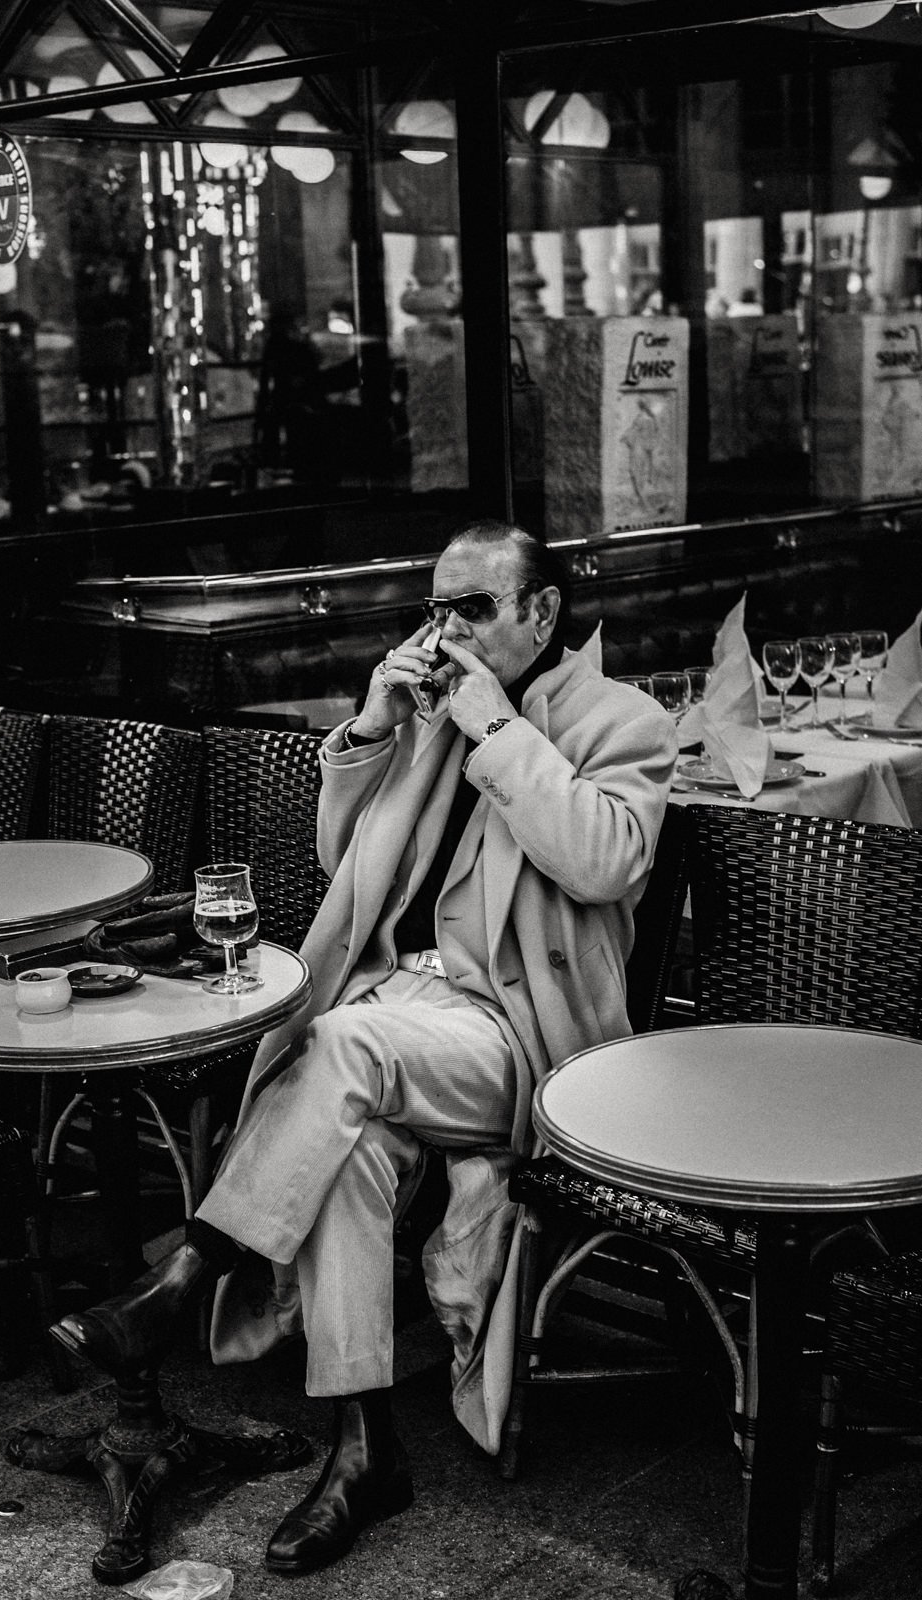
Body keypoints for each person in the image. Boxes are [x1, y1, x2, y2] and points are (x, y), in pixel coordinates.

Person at [51, 517, 677, 1575]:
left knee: (336, 1047)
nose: (450, 631)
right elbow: (348, 859)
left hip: (515, 1034)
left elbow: (607, 862)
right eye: (437, 609)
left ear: (541, 611)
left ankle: (187, 1274)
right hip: (395, 1011)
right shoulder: (430, 713)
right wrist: (377, 728)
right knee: (347, 1143)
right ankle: (362, 1448)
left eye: (474, 608)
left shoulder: (623, 718)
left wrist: (498, 732)